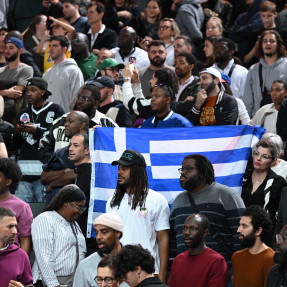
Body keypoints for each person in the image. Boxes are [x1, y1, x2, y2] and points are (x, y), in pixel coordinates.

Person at [170, 154, 245, 267]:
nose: (183, 172)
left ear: (203, 173)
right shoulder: (178, 201)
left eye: (188, 169)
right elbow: (172, 241)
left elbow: (241, 234)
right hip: (185, 272)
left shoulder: (226, 196)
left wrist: (237, 268)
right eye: (182, 169)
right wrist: (171, 268)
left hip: (221, 272)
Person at [106, 150, 170, 282]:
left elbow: (163, 239)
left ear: (136, 171)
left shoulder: (156, 200)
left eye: (125, 168)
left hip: (148, 272)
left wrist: (162, 275)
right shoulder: (112, 202)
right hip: (119, 272)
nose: (119, 172)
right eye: (119, 168)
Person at [14, 77, 64, 203]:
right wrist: (16, 133)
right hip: (23, 173)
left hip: (44, 173)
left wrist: (37, 132)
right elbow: (17, 145)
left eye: (33, 90)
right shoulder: (23, 112)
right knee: (22, 212)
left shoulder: (56, 110)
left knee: (42, 211)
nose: (28, 94)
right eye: (27, 91)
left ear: (42, 91)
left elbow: (58, 140)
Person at [38, 84, 117, 164]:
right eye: (78, 97)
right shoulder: (62, 121)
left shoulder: (106, 124)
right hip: (60, 173)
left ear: (96, 103)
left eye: (85, 98)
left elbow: (118, 147)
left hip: (90, 172)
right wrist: (54, 164)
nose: (79, 101)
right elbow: (44, 144)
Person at [32, 184, 87, 287]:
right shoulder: (45, 219)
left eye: (82, 208)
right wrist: (53, 284)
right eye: (79, 207)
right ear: (66, 202)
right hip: (50, 282)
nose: (80, 212)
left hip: (72, 281)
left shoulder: (74, 224)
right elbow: (44, 256)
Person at [40, 111, 89, 203]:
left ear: (82, 126)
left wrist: (52, 184)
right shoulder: (60, 152)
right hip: (53, 206)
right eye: (66, 121)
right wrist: (65, 171)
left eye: (70, 121)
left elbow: (76, 176)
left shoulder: (90, 150)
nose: (66, 124)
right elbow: (44, 177)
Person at [241, 140, 287, 238]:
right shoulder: (242, 177)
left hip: (264, 236)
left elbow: (278, 218)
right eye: (256, 154)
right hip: (240, 232)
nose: (258, 158)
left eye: (265, 156)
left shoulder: (278, 182)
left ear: (273, 161)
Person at [169, 214, 228, 287]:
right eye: (185, 228)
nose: (187, 232)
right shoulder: (178, 260)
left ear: (205, 233)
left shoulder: (216, 261)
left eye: (193, 229)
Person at [73, 212, 129, 287]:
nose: (98, 237)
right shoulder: (84, 266)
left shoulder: (134, 262)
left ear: (117, 233)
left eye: (104, 232)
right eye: (96, 233)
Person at [243, 30, 287, 117]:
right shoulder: (253, 69)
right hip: (259, 120)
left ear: (278, 44)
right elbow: (248, 100)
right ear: (261, 45)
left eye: (272, 41)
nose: (268, 44)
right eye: (265, 41)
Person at [232, 205, 275, 287]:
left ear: (258, 231)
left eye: (244, 226)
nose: (238, 230)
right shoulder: (236, 257)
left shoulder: (270, 260)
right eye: (240, 225)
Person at [0, 158, 33, 256]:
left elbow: (25, 240)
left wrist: (22, 265)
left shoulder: (22, 207)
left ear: (8, 181)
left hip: (10, 260)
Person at [43, 35, 84, 113]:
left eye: (55, 46)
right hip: (47, 121)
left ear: (64, 49)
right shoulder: (47, 73)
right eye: (50, 46)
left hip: (66, 120)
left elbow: (77, 99)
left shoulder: (74, 71)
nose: (51, 49)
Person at [0, 37, 33, 124]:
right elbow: (10, 93)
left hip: (15, 114)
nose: (7, 50)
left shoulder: (26, 69)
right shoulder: (0, 70)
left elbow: (16, 93)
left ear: (20, 51)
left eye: (11, 48)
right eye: (6, 47)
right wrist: (7, 92)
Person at [0, 207, 33, 287]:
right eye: (10, 226)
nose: (15, 231)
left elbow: (28, 284)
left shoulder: (21, 255)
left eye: (15, 226)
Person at [244, 1, 281, 68]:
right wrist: (255, 47)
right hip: (259, 68)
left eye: (269, 16)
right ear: (260, 15)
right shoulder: (255, 34)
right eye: (263, 16)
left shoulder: (282, 33)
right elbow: (246, 60)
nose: (266, 19)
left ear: (275, 14)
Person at [174, 52, 201, 117]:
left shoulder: (197, 85)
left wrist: (168, 105)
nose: (177, 66)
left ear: (191, 66)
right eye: (176, 63)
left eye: (181, 63)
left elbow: (186, 108)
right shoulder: (171, 83)